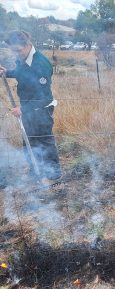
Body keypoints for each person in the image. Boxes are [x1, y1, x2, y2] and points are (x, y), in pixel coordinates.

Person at [0, 30, 61, 184]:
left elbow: (44, 97)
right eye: (13, 51)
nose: (16, 54)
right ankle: (35, 171)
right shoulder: (23, 59)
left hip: (42, 109)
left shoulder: (41, 63)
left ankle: (54, 174)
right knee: (28, 139)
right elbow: (22, 73)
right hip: (28, 107)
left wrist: (22, 109)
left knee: (44, 140)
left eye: (18, 50)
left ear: (28, 45)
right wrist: (7, 73)